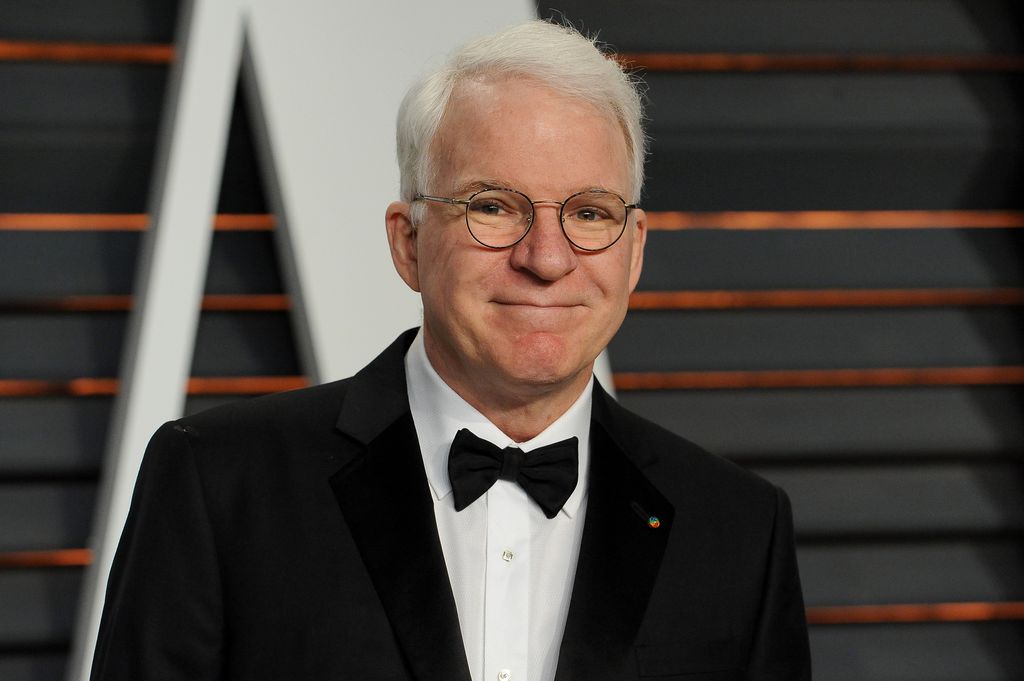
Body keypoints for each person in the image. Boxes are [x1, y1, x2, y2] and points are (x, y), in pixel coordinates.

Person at [91, 20, 811, 681]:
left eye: (590, 213)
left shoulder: (739, 530)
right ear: (408, 242)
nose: (548, 258)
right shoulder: (219, 485)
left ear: (634, 252)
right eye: (494, 206)